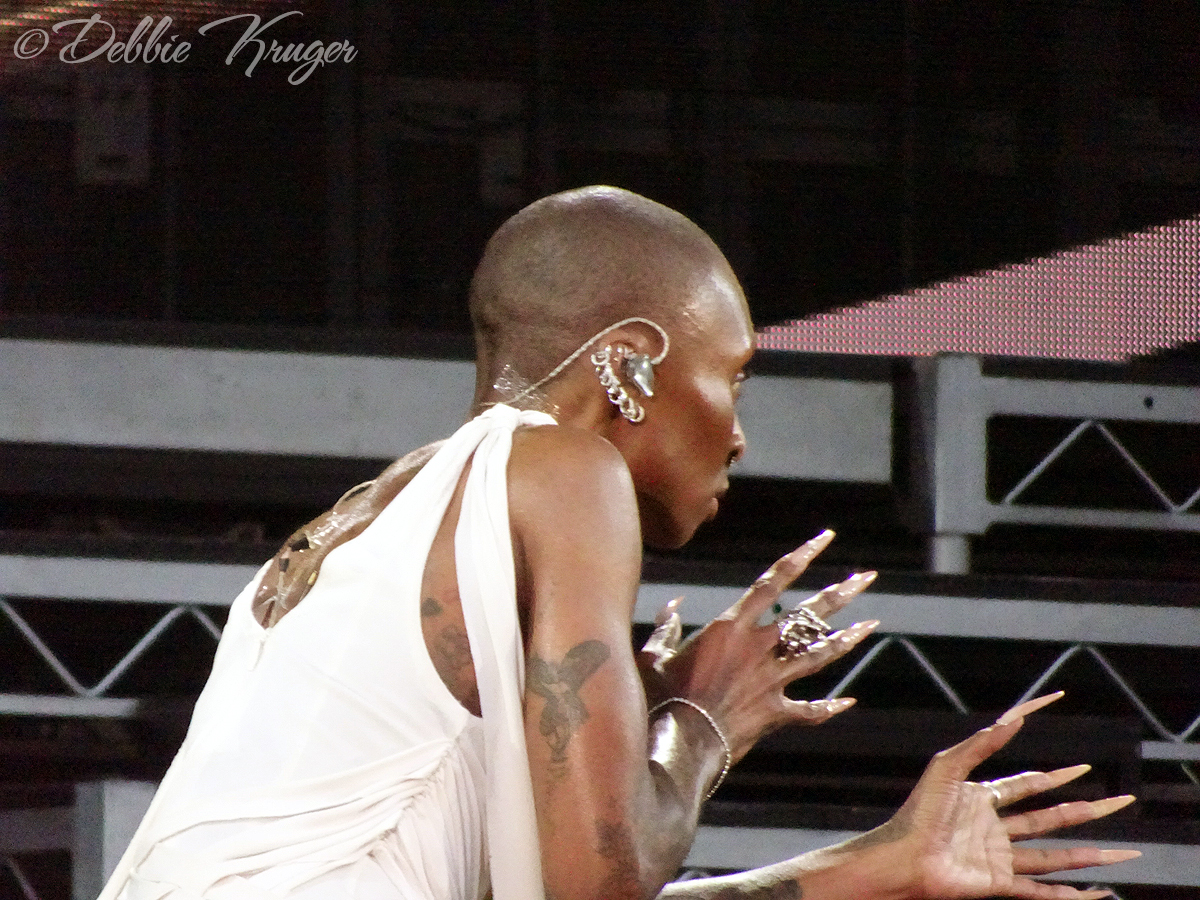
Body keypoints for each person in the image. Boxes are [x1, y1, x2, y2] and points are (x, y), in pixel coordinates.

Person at [99, 186, 1139, 900]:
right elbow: (598, 885)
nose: (739, 433)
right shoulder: (564, 470)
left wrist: (875, 863)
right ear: (632, 361)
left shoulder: (377, 519)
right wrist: (705, 722)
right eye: (733, 377)